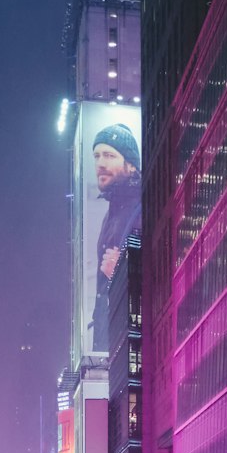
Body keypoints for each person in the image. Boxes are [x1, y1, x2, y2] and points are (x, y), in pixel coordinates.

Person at [90, 122, 142, 350]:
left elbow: (164, 274)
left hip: (131, 346)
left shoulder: (141, 208)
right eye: (97, 156)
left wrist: (120, 273)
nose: (100, 163)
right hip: (111, 342)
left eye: (109, 155)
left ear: (131, 166)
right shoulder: (112, 213)